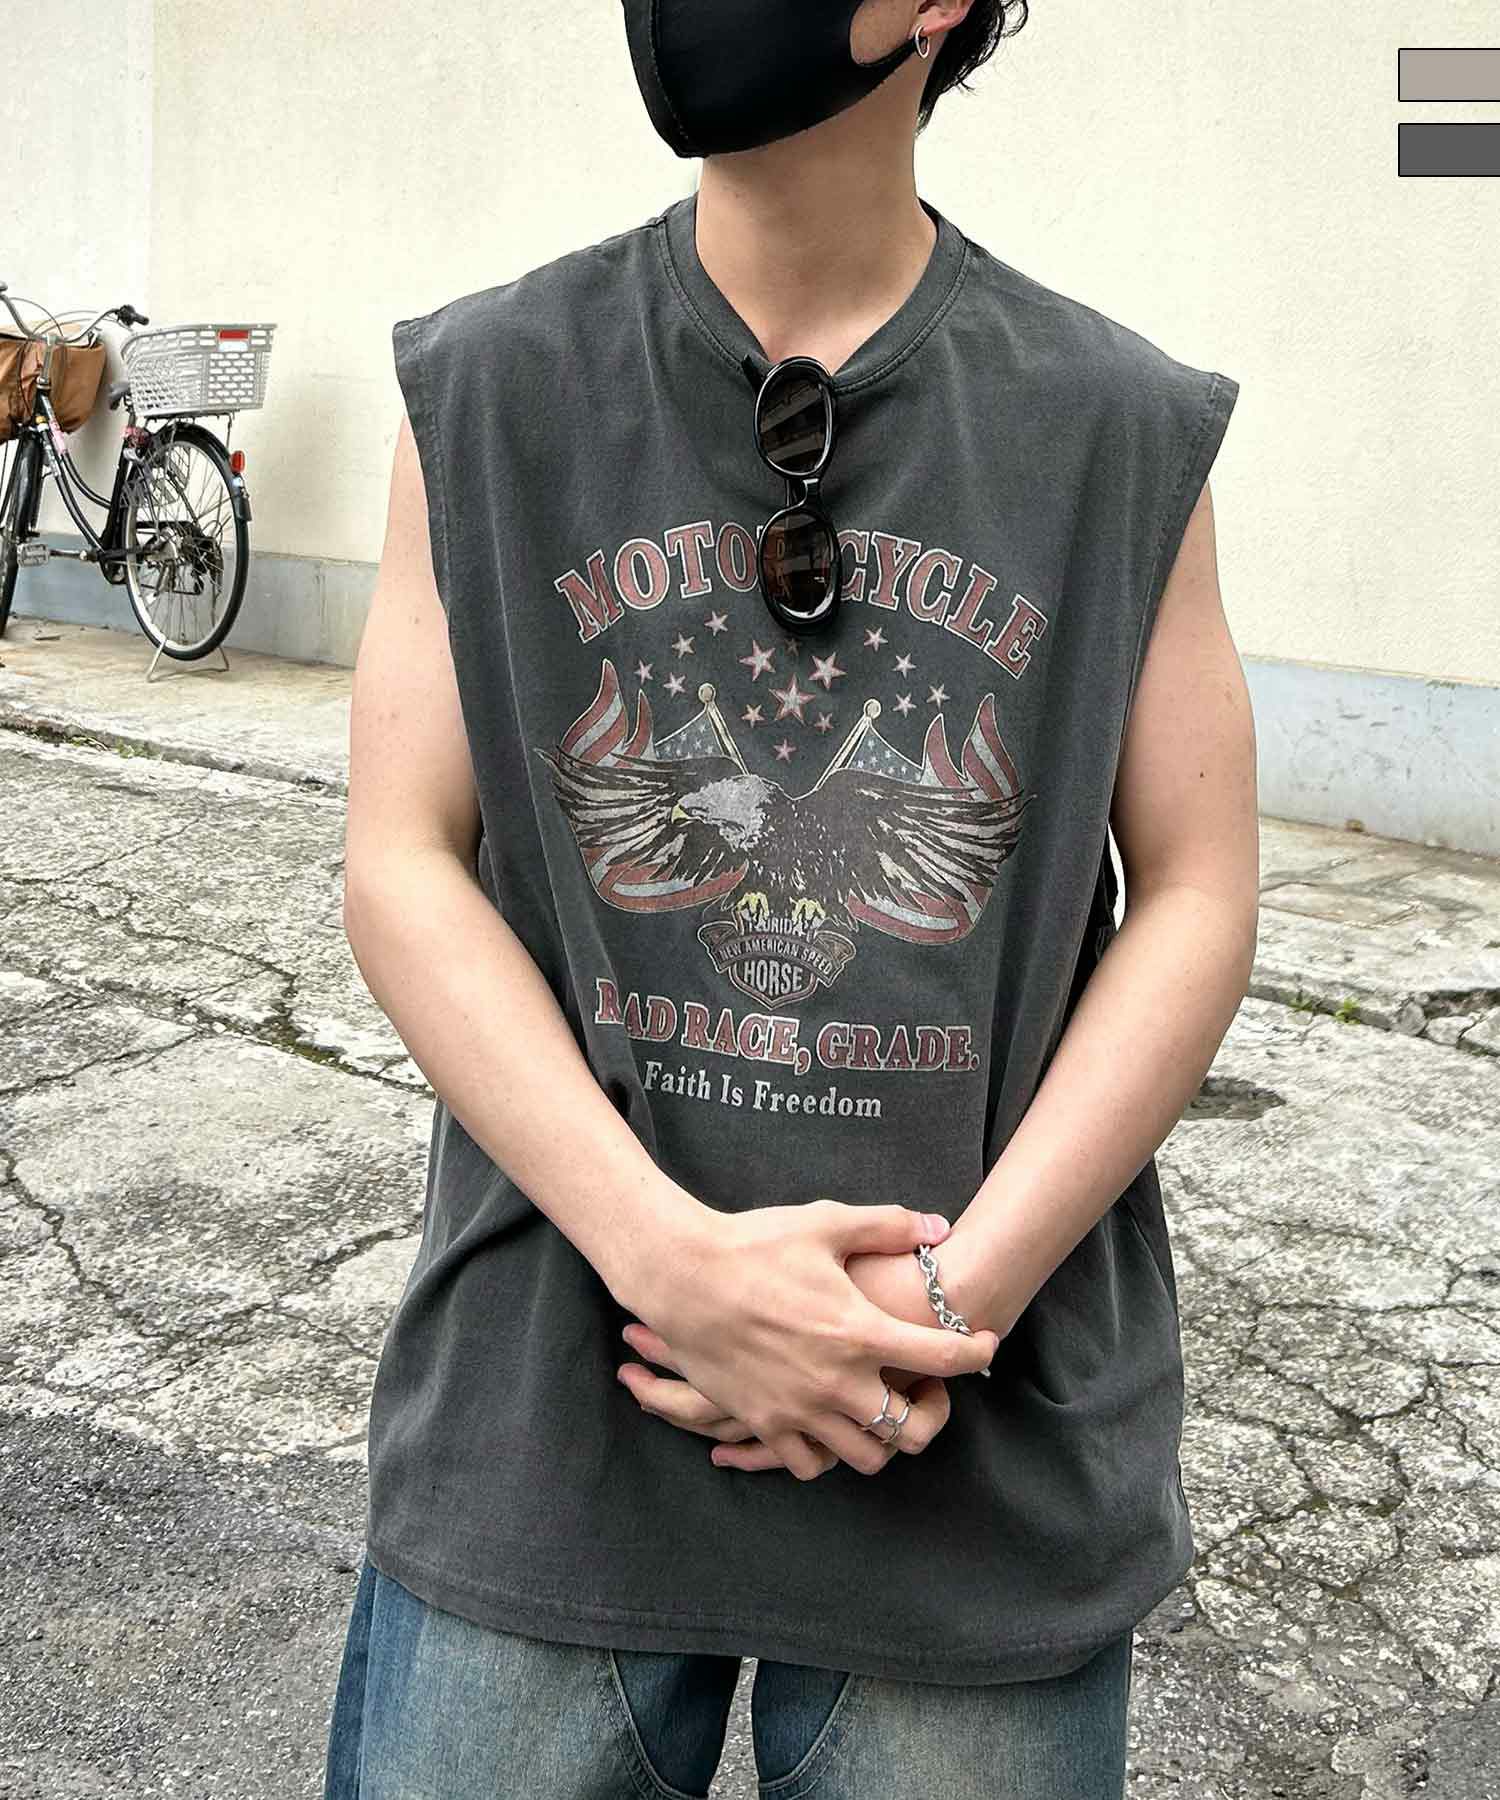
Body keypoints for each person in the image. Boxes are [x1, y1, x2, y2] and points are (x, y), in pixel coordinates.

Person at [324, 1, 1259, 1795]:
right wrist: (668, 1259)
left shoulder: (1120, 428)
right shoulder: (490, 388)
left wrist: (947, 1301)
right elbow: (401, 859)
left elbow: (1199, 895)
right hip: (555, 1437)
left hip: (973, 1477)